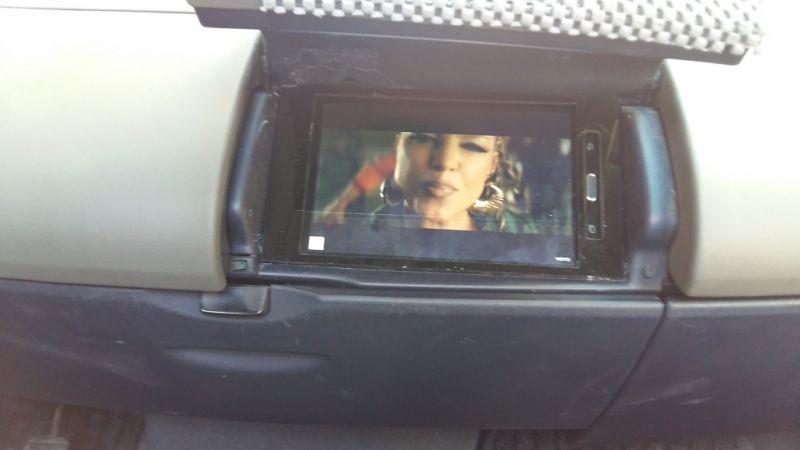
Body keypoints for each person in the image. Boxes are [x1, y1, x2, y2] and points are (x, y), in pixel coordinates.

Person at [371, 132, 536, 233]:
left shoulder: (526, 239)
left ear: (492, 165)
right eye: (423, 137)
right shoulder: (359, 235)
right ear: (397, 146)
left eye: (473, 146)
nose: (445, 161)